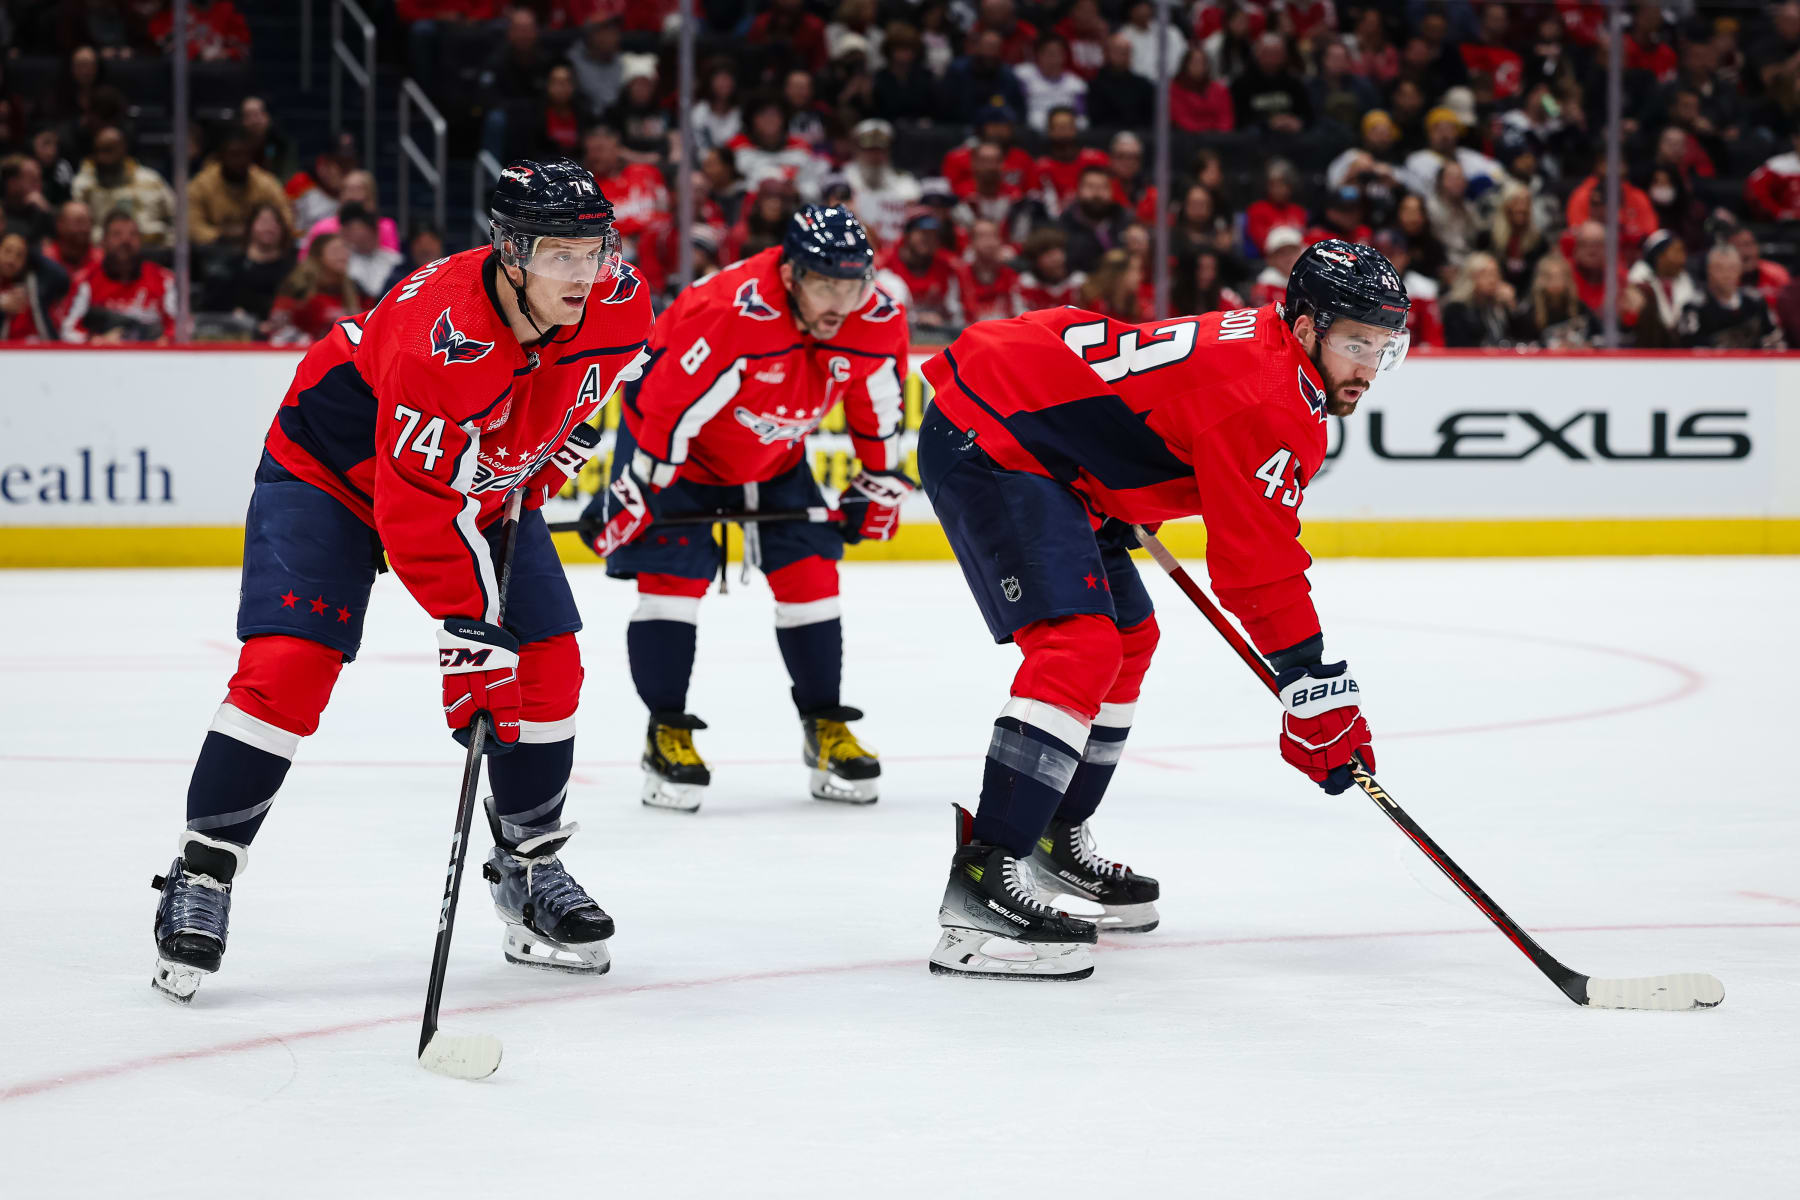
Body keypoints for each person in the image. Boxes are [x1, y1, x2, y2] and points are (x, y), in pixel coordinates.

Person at [147, 158, 653, 1004]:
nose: (585, 273)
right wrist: (471, 634)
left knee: (551, 660)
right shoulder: (438, 339)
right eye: (561, 254)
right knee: (288, 668)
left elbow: (588, 389)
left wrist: (555, 449)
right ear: (512, 251)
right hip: (334, 472)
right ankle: (205, 872)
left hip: (481, 482)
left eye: (595, 250)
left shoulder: (618, 298)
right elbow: (418, 512)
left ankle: (529, 867)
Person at [914, 239, 1408, 979]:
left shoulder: (1274, 357)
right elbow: (1256, 568)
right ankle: (982, 886)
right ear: (1306, 329)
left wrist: (1110, 462)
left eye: (1383, 347)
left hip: (1055, 444)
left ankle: (1053, 832)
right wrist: (1311, 679)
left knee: (1130, 638)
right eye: (1355, 342)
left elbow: (1172, 415)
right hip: (999, 432)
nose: (1368, 367)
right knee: (1077, 648)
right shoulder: (1272, 398)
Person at [577, 207, 910, 814]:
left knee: (812, 578)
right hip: (678, 449)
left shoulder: (876, 315)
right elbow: (669, 408)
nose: (841, 302)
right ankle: (667, 732)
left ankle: (824, 727)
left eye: (852, 285)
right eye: (825, 285)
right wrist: (640, 488)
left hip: (775, 452)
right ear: (790, 274)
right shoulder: (731, 313)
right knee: (671, 586)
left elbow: (879, 400)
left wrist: (879, 480)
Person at [60, 209, 174, 343]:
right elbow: (68, 330)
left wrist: (166, 340)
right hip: (101, 358)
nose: (126, 240)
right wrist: (94, 341)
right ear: (103, 242)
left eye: (133, 235)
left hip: (152, 357)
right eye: (117, 234)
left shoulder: (164, 279)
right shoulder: (85, 280)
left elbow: (180, 326)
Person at [188, 132, 293, 249]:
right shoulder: (200, 185)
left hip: (258, 247)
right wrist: (221, 234)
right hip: (214, 251)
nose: (240, 160)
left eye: (245, 154)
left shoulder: (266, 183)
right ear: (221, 156)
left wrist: (261, 232)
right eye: (234, 154)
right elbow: (193, 227)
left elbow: (286, 218)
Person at [199, 201, 295, 328]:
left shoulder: (293, 267)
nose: (269, 227)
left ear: (283, 229)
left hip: (283, 334)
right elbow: (213, 304)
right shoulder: (231, 264)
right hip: (238, 333)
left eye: (275, 222)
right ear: (250, 226)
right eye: (263, 222)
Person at [879, 210, 974, 334]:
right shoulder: (885, 264)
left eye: (933, 235)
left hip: (938, 335)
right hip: (896, 332)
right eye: (923, 233)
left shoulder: (949, 267)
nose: (928, 239)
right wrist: (916, 318)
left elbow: (960, 312)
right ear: (907, 234)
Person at [1679, 244, 1786, 350]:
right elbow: (1692, 350)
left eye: (1732, 268)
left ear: (1740, 269)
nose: (1727, 274)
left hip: (1754, 364)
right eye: (1719, 268)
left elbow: (1774, 341)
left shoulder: (1756, 301)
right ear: (1708, 271)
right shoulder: (1694, 308)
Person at [1511, 253, 1598, 349]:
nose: (1556, 281)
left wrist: (1587, 345)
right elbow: (1519, 345)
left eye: (1560, 276)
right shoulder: (1528, 313)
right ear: (1540, 280)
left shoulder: (1580, 309)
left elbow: (1597, 337)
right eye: (1550, 277)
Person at [0, 227, 70, 342]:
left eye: (19, 255)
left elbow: (62, 277)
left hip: (31, 350)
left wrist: (34, 256)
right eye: (7, 251)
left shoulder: (34, 285)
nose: (11, 259)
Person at [1441, 251, 1518, 348]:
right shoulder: (1456, 309)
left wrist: (1512, 306)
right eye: (1486, 274)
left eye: (1495, 274)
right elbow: (1460, 347)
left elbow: (1518, 338)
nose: (1492, 280)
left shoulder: (1498, 306)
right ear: (1471, 278)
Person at [1016, 226, 1085, 311]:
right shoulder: (1025, 285)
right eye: (1048, 255)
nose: (1056, 258)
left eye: (1058, 251)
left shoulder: (1079, 283)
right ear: (1035, 260)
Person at [42, 199, 100, 275]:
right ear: (60, 225)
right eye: (78, 222)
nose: (85, 228)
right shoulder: (46, 258)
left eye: (88, 222)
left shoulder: (100, 260)